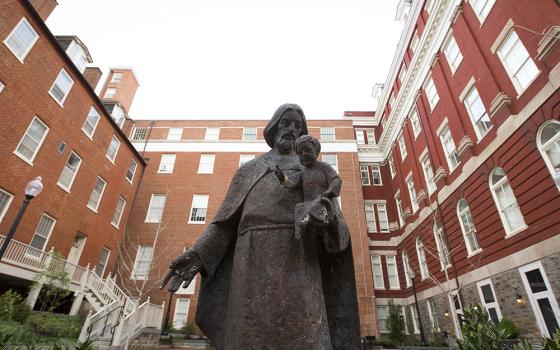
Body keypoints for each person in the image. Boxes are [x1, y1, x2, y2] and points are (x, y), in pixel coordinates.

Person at [160, 104, 360, 350]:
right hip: (251, 265)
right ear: (274, 126)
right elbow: (224, 225)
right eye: (286, 122)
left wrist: (326, 222)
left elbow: (337, 227)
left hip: (300, 265)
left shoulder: (315, 171)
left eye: (299, 126)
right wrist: (198, 254)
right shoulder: (249, 170)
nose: (292, 129)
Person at [275, 134, 342, 240]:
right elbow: (291, 183)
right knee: (299, 208)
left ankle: (314, 219)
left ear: (316, 151)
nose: (304, 154)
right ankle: (301, 230)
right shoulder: (303, 174)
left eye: (308, 150)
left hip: (323, 202)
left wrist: (330, 191)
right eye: (300, 153)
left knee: (315, 206)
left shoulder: (324, 167)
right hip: (308, 205)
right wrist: (282, 177)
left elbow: (336, 180)